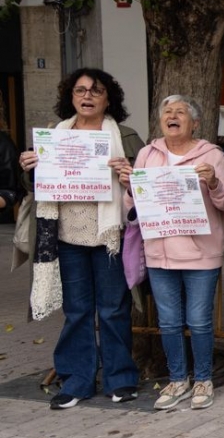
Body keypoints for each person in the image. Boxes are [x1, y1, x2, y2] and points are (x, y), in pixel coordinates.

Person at [18, 68, 145, 409]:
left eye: (96, 90)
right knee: (77, 311)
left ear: (108, 99)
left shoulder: (127, 137)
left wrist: (130, 178)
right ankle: (76, 381)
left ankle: (120, 379)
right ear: (70, 97)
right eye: (80, 90)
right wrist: (28, 167)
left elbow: (146, 189)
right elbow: (37, 189)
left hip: (110, 236)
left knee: (113, 309)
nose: (87, 96)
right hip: (66, 236)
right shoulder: (53, 136)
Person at [120, 96, 224, 410]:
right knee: (169, 322)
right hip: (160, 251)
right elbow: (132, 207)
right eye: (167, 112)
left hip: (202, 253)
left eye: (180, 112)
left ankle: (202, 379)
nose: (172, 116)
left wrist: (214, 183)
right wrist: (130, 189)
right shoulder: (147, 153)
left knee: (199, 321)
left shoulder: (212, 154)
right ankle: (177, 380)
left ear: (194, 122)